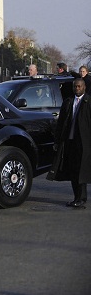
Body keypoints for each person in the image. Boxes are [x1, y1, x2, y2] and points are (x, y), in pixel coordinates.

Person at [48, 79, 91, 208]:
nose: (77, 88)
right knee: (73, 171)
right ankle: (76, 197)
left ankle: (81, 198)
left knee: (80, 172)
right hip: (69, 141)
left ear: (84, 87)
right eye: (75, 86)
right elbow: (61, 123)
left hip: (83, 143)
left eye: (79, 86)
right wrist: (57, 141)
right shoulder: (68, 102)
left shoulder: (88, 102)